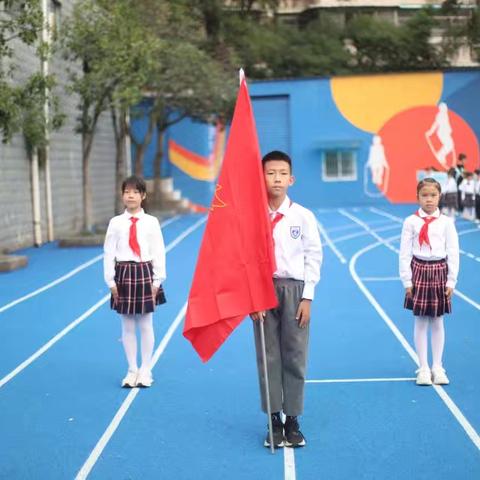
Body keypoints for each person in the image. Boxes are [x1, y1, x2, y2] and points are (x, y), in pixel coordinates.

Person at [250, 151, 322, 449]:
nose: (276, 178)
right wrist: (252, 297)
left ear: (291, 179)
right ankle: (274, 420)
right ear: (261, 177)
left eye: (282, 173)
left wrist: (308, 297)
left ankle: (293, 419)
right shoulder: (252, 217)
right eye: (270, 173)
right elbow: (245, 259)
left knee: (295, 355)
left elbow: (313, 256)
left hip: (294, 290)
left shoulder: (303, 216)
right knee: (268, 357)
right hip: (263, 289)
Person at [103, 176, 166, 388]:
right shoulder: (115, 223)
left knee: (146, 323)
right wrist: (110, 281)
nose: (130, 195)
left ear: (143, 196)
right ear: (122, 195)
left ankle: (146, 369)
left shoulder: (151, 222)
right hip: (123, 273)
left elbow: (159, 251)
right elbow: (108, 252)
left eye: (135, 192)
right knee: (127, 324)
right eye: (127, 192)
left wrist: (157, 280)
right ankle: (131, 369)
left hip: (144, 272)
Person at [399, 178, 459, 386]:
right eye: (424, 195)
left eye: (433, 195)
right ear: (417, 197)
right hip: (419, 271)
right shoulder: (411, 222)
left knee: (438, 320)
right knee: (421, 320)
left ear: (439, 196)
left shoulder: (446, 222)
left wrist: (451, 281)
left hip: (440, 271)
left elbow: (453, 252)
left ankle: (438, 366)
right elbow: (404, 253)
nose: (429, 200)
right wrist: (407, 280)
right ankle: (423, 367)